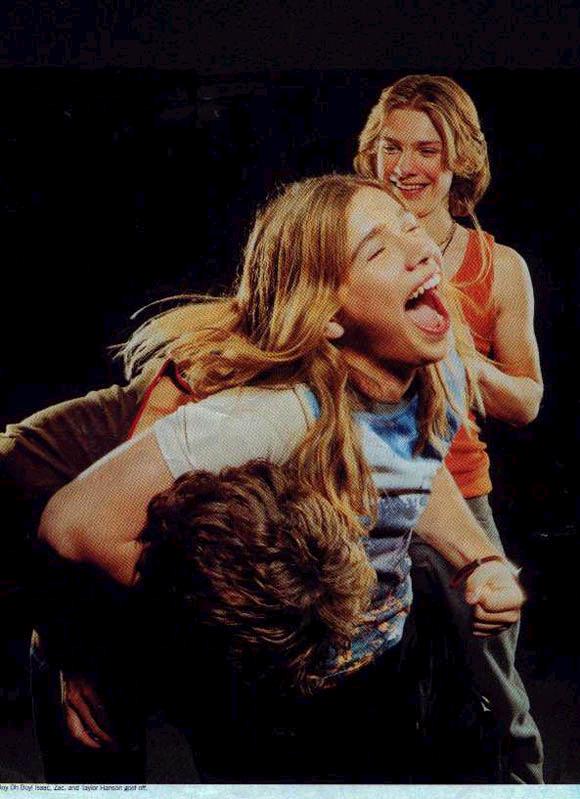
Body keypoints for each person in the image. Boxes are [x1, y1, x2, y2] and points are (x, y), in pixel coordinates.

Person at [36, 173, 525, 783]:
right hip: (279, 704)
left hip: (388, 661)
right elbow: (73, 522)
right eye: (377, 250)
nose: (420, 249)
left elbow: (410, 473)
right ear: (330, 317)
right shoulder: (272, 416)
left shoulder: (440, 358)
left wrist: (480, 560)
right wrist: (212, 614)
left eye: (409, 226)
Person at [353, 74, 544, 783]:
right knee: (364, 702)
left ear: (459, 157)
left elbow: (528, 400)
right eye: (390, 146)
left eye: (426, 149)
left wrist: (459, 358)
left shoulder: (500, 267)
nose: (404, 166)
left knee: (496, 698)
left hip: (459, 493)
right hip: (360, 497)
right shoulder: (345, 249)